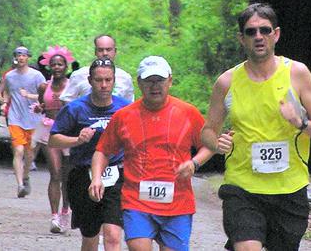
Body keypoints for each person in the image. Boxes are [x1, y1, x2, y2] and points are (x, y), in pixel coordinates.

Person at [201, 3, 311, 251]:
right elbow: (208, 131)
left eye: (265, 30)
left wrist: (300, 122)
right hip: (242, 187)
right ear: (242, 39)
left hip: (289, 187)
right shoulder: (227, 82)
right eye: (251, 32)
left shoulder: (297, 73)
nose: (259, 37)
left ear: (276, 34)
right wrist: (216, 143)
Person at [90, 56, 214, 251]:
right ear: (139, 83)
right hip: (137, 201)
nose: (155, 86)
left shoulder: (188, 112)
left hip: (178, 203)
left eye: (160, 80)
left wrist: (194, 163)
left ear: (170, 81)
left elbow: (209, 145)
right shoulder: (124, 116)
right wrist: (96, 178)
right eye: (149, 81)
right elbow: (103, 151)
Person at [48, 58, 130, 251]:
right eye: (98, 80)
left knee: (112, 235)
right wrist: (77, 139)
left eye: (108, 80)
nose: (103, 85)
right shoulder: (75, 108)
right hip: (83, 176)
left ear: (114, 80)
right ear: (90, 80)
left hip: (116, 176)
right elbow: (54, 139)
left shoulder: (125, 108)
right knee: (90, 236)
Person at [30, 46, 75, 233]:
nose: (57, 67)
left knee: (68, 176)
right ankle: (54, 217)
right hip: (50, 130)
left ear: (66, 66)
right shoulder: (43, 87)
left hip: (69, 131)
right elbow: (42, 103)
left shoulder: (72, 85)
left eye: (60, 64)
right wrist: (40, 108)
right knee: (55, 173)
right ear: (49, 67)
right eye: (53, 64)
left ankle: (66, 210)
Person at [0, 46, 46, 198]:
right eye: (18, 55)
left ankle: (25, 177)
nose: (21, 58)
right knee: (18, 151)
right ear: (15, 58)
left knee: (29, 154)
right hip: (15, 117)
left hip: (33, 118)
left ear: (28, 58)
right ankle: (19, 185)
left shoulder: (37, 76)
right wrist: (2, 100)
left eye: (24, 55)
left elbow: (45, 96)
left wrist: (30, 96)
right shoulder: (9, 76)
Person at [59, 34, 134, 104]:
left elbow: (129, 105)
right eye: (100, 50)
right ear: (95, 52)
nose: (105, 53)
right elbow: (67, 101)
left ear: (115, 51)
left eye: (108, 49)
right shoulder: (79, 75)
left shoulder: (125, 77)